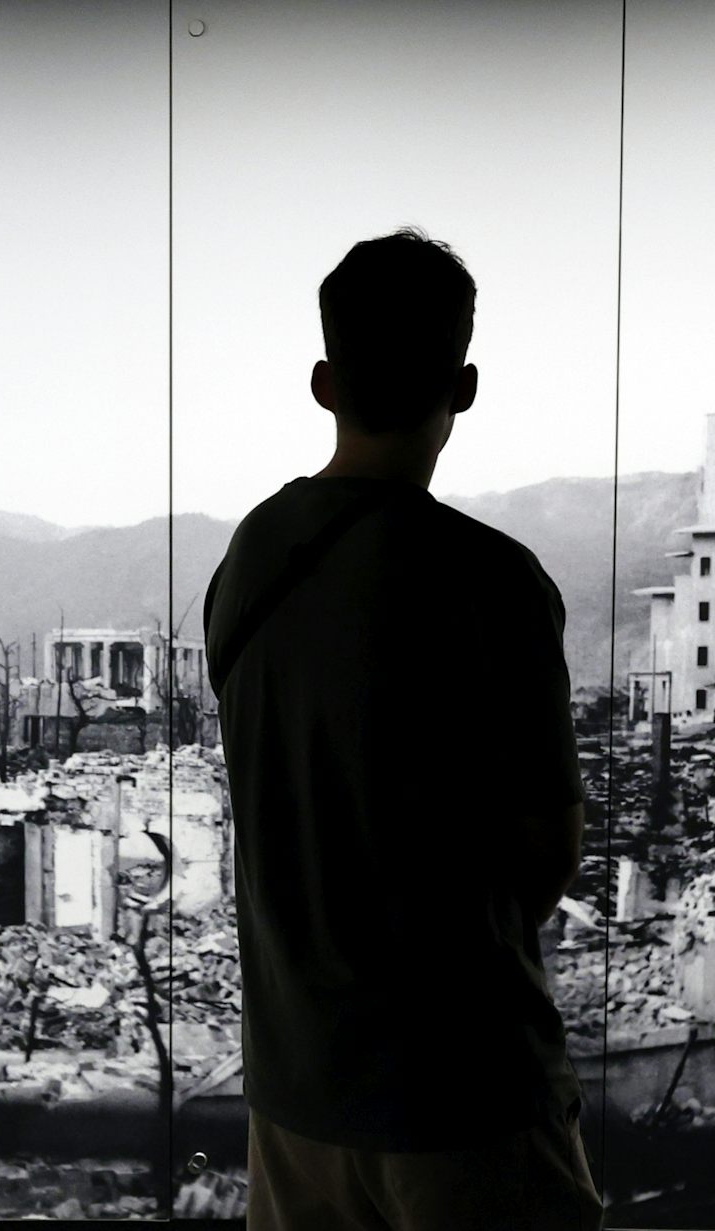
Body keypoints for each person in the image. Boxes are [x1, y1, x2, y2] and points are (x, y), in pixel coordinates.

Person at [202, 227, 603, 1230]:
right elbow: (546, 858)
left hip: (296, 1104)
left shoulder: (248, 565)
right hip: (466, 1099)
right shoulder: (492, 582)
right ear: (462, 386)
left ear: (324, 381)